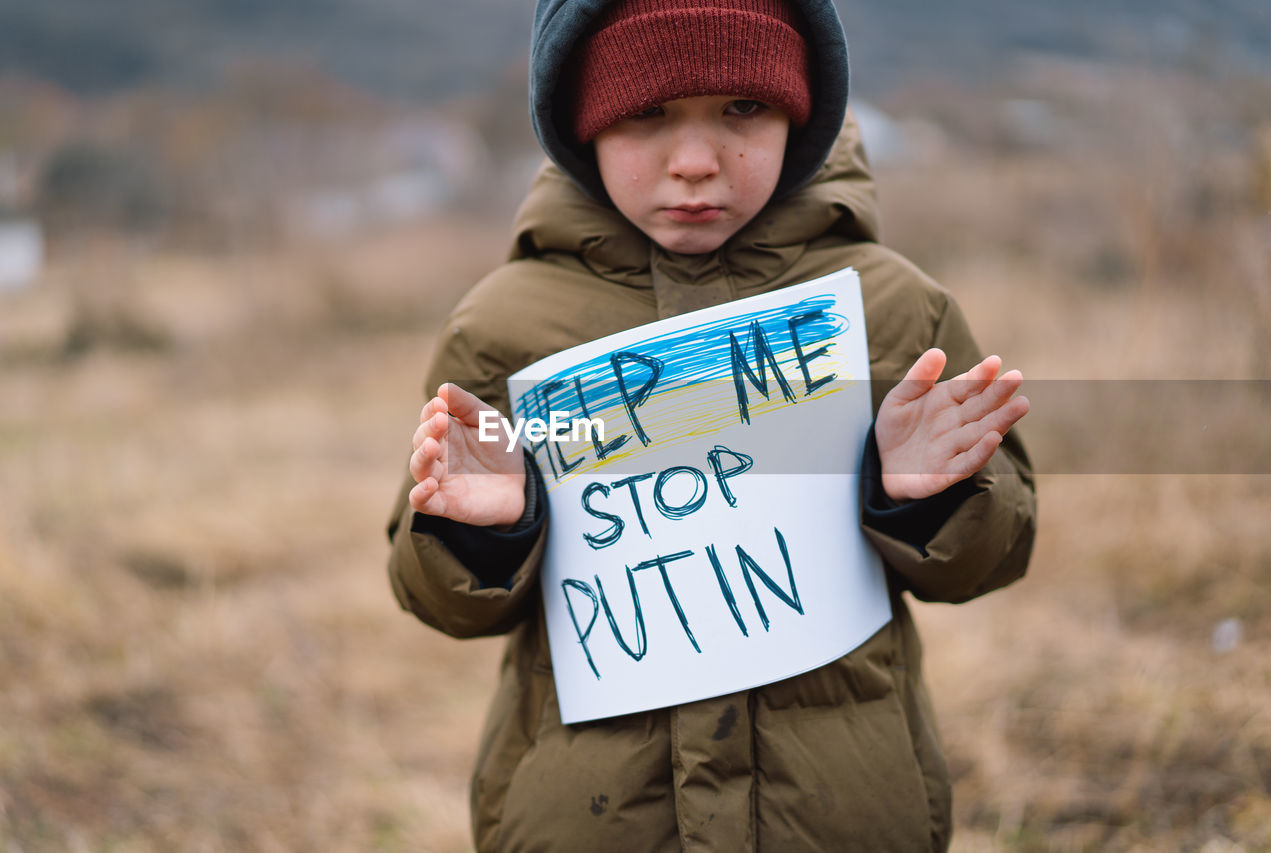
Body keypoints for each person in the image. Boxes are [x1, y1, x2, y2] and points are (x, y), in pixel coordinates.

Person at [385, 0, 1036, 849]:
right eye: (644, 114)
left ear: (800, 113)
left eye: (743, 110)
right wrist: (483, 533)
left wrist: (924, 499)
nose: (695, 162)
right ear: (581, 127)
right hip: (591, 819)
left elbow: (998, 550)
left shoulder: (894, 312)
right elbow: (433, 591)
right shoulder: (501, 328)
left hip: (842, 811)